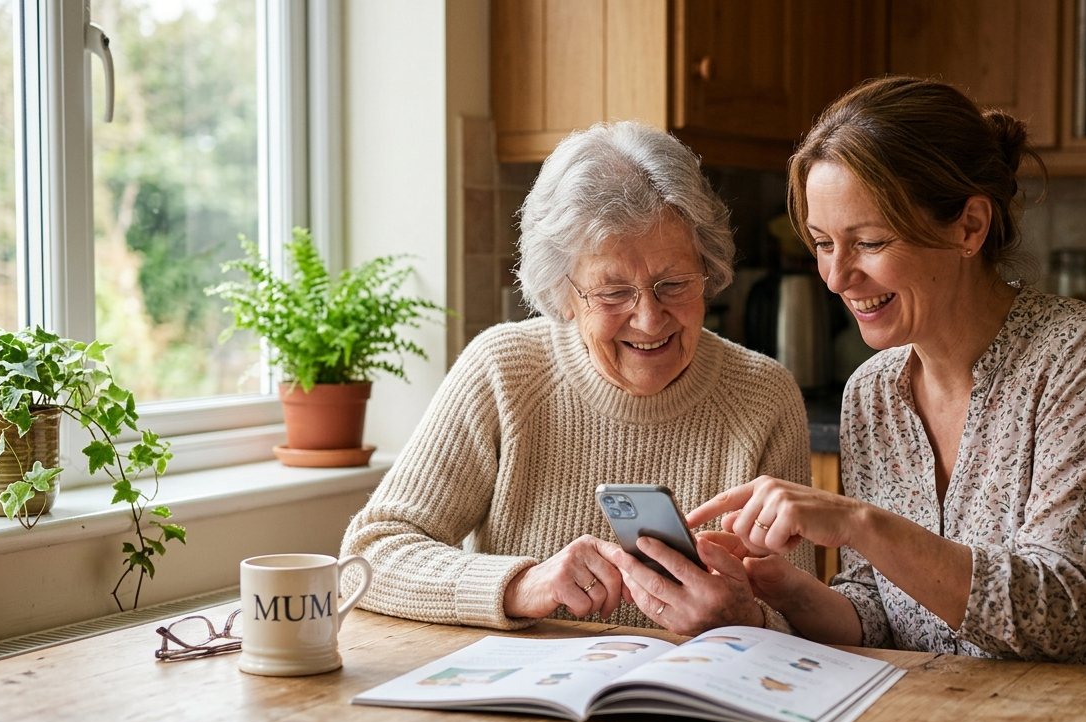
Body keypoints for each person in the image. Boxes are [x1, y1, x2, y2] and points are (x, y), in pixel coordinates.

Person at [682, 76, 1086, 672]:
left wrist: (860, 524)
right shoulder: (871, 394)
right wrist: (775, 588)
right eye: (824, 244)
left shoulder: (1084, 360)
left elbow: (1058, 615)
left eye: (870, 242)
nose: (836, 278)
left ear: (969, 227)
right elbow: (878, 615)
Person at [339, 121, 815, 634]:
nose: (650, 319)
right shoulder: (505, 371)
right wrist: (522, 584)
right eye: (613, 293)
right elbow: (369, 557)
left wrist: (744, 619)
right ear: (563, 295)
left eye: (673, 284)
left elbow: (804, 621)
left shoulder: (764, 397)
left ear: (708, 268)